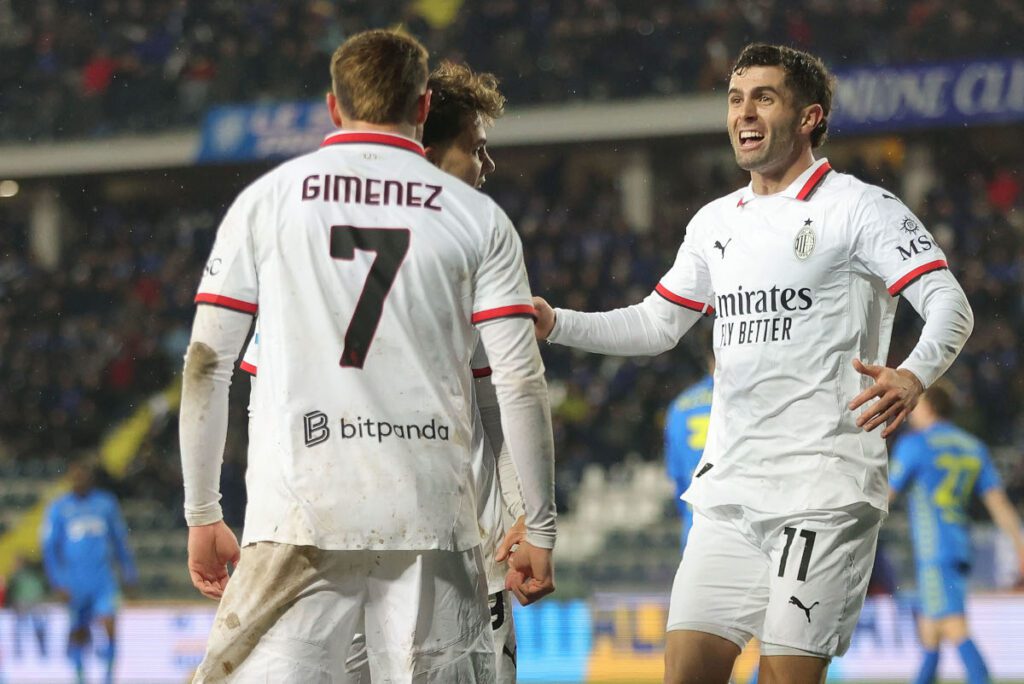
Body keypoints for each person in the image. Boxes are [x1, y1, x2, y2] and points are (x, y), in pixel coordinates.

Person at [533, 43, 974, 684]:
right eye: (736, 99)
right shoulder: (715, 221)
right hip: (731, 494)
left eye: (764, 97)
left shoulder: (859, 207)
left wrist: (912, 373)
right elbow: (656, 323)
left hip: (822, 491)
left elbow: (949, 304)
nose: (744, 112)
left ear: (808, 117)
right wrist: (558, 323)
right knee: (685, 671)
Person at [180, 30, 556, 682]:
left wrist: (203, 512)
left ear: (333, 107)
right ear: (421, 105)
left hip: (300, 510)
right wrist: (542, 526)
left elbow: (208, 364)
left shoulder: (268, 203)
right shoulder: (477, 219)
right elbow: (519, 384)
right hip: (430, 516)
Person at [890, 382, 1024, 684]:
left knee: (953, 627)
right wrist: (1020, 546)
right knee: (930, 636)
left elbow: (884, 495)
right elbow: (998, 503)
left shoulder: (915, 445)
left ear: (929, 407)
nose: (911, 412)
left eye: (916, 405)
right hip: (959, 547)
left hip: (933, 550)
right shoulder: (972, 446)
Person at [41, 460, 137, 684]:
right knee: (78, 633)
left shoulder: (106, 504)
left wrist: (129, 573)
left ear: (91, 478)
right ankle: (80, 678)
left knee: (110, 625)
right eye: (75, 476)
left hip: (103, 580)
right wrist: (57, 582)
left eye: (83, 476)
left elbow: (119, 540)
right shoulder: (59, 508)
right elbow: (50, 550)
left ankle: (108, 678)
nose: (80, 480)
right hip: (74, 583)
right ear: (69, 479)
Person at [664, 354, 713, 551]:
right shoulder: (746, 399)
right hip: (740, 524)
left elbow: (675, 474)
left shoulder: (680, 405)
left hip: (696, 524)